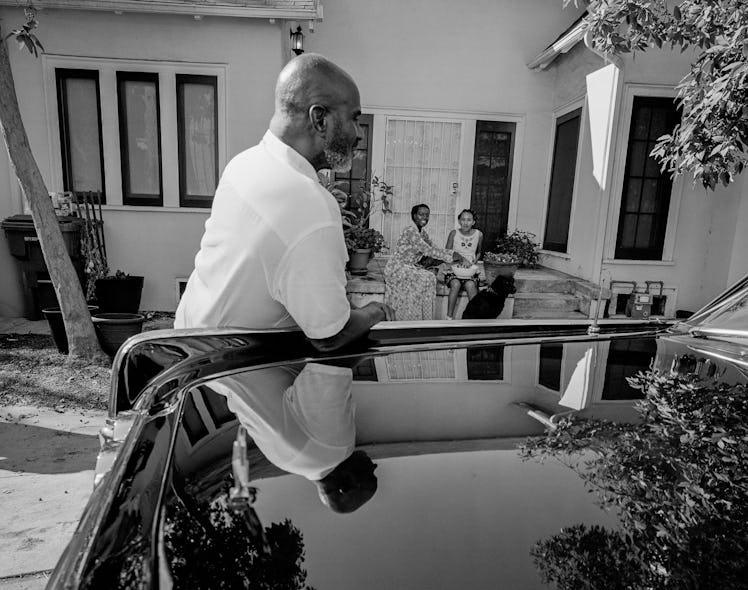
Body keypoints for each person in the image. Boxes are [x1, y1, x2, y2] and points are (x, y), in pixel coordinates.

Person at [174, 54, 393, 350]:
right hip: (232, 380)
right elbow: (330, 336)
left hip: (185, 351)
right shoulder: (309, 204)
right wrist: (375, 311)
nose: (358, 134)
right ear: (319, 119)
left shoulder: (244, 163)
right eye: (354, 118)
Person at [208, 362, 378, 513]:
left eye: (370, 475)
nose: (373, 465)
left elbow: (332, 365)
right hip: (212, 368)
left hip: (238, 345)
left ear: (348, 483)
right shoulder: (287, 462)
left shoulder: (333, 449)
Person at [384, 204, 468, 320]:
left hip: (411, 267)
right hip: (398, 268)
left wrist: (453, 254)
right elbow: (428, 250)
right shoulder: (410, 230)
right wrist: (453, 256)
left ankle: (422, 319)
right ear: (414, 216)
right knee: (427, 278)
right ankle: (409, 317)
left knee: (429, 277)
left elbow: (434, 248)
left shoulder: (422, 233)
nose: (425, 217)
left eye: (427, 215)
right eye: (421, 214)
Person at [444, 209, 484, 319]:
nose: (465, 223)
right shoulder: (454, 233)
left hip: (469, 271)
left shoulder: (479, 234)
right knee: (455, 284)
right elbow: (447, 253)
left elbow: (479, 252)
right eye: (463, 219)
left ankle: (474, 318)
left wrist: (474, 263)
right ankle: (449, 318)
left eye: (469, 220)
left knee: (471, 285)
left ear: (473, 222)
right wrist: (457, 261)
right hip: (454, 269)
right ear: (459, 221)